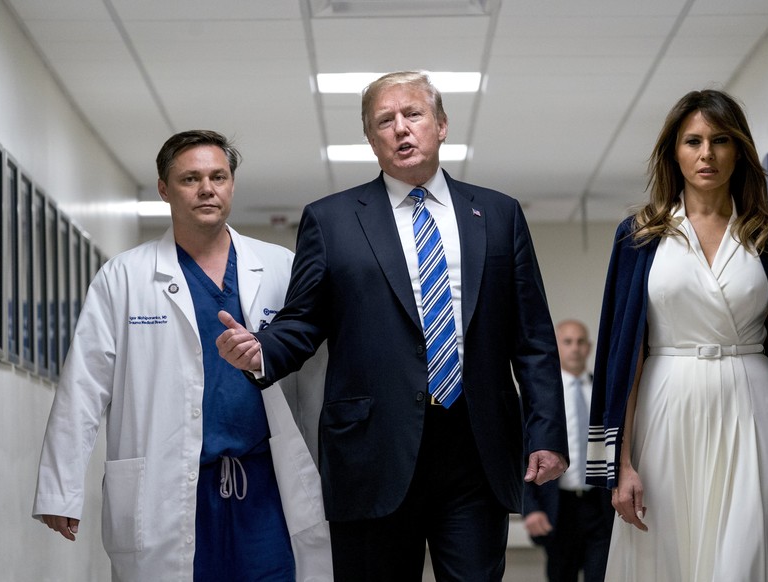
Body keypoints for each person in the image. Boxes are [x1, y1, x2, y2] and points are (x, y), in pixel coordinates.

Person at [216, 70, 569, 581]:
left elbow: (533, 338)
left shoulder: (497, 214)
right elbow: (302, 321)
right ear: (370, 139)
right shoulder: (332, 220)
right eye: (385, 120)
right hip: (372, 451)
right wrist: (262, 352)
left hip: (476, 447)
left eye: (413, 115)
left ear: (441, 125)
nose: (401, 129)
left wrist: (546, 433)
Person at [32, 130, 332, 582]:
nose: (207, 188)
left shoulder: (280, 266)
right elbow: (83, 387)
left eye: (219, 176)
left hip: (267, 485)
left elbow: (317, 378)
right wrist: (61, 489)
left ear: (232, 184)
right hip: (168, 485)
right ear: (164, 188)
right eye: (190, 178)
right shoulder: (124, 277)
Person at [587, 89, 768, 581]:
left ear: (739, 150)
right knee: (670, 558)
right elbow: (620, 354)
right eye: (692, 141)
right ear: (674, 152)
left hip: (755, 410)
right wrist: (620, 465)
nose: (706, 154)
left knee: (745, 558)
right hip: (666, 408)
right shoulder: (639, 236)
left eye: (720, 140)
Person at [524, 320, 613, 582]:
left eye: (580, 341)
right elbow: (521, 455)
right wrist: (530, 507)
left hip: (600, 505)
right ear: (557, 346)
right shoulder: (541, 398)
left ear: (589, 347)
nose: (575, 348)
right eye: (568, 341)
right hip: (559, 507)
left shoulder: (603, 394)